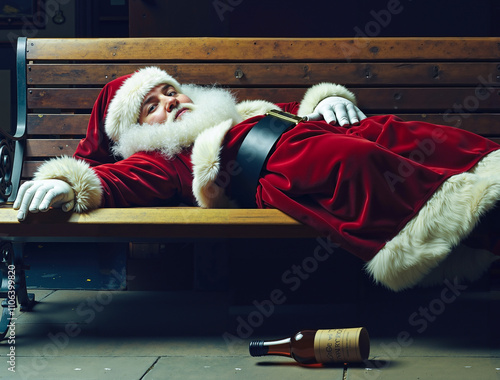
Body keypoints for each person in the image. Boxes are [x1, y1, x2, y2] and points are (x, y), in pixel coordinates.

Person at [13, 66, 500, 291]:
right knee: (349, 165)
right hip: (279, 164)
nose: (171, 102)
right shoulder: (166, 157)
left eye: (169, 91)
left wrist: (323, 101)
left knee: (407, 135)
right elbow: (120, 181)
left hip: (319, 133)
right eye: (152, 106)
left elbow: (293, 111)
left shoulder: (237, 110)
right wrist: (70, 184)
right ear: (138, 132)